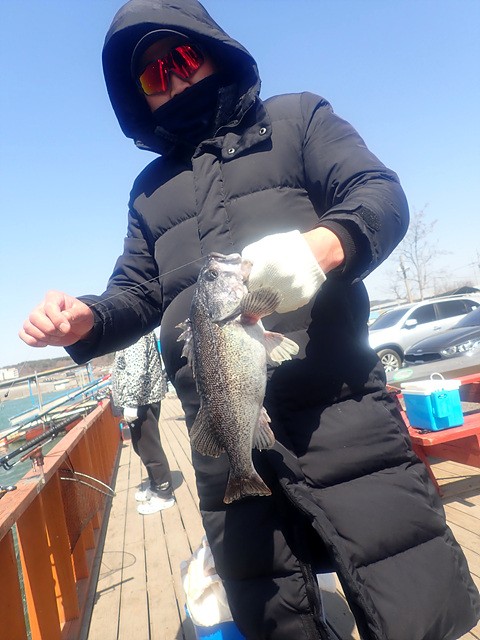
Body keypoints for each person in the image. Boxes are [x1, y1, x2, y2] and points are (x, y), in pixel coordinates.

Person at [19, 1, 480, 638]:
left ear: (213, 49)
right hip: (222, 430)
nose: (172, 79)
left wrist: (325, 247)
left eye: (182, 57)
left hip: (341, 415)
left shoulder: (298, 119)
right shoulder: (148, 192)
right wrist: (87, 320)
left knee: (410, 600)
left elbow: (379, 193)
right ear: (137, 96)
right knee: (276, 617)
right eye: (152, 75)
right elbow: (136, 292)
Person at [111, 331, 174, 515]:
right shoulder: (133, 331)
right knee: (142, 447)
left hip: (142, 401)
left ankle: (164, 494)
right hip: (142, 399)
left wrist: (131, 402)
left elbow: (137, 370)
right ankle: (155, 485)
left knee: (149, 448)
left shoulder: (133, 333)